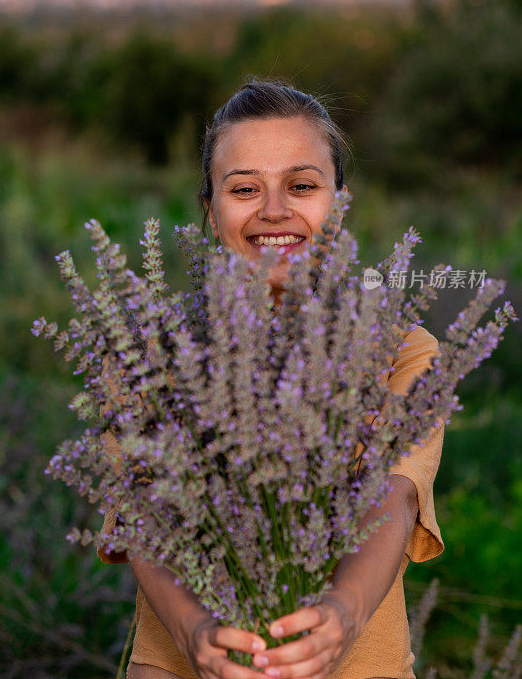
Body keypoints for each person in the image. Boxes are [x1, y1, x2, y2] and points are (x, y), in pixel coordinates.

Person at [98, 79, 445, 679]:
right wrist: (196, 633)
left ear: (341, 203)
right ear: (210, 210)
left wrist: (342, 612)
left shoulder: (404, 350)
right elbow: (143, 507)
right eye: (244, 189)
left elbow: (396, 491)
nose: (276, 211)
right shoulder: (144, 355)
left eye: (303, 186)